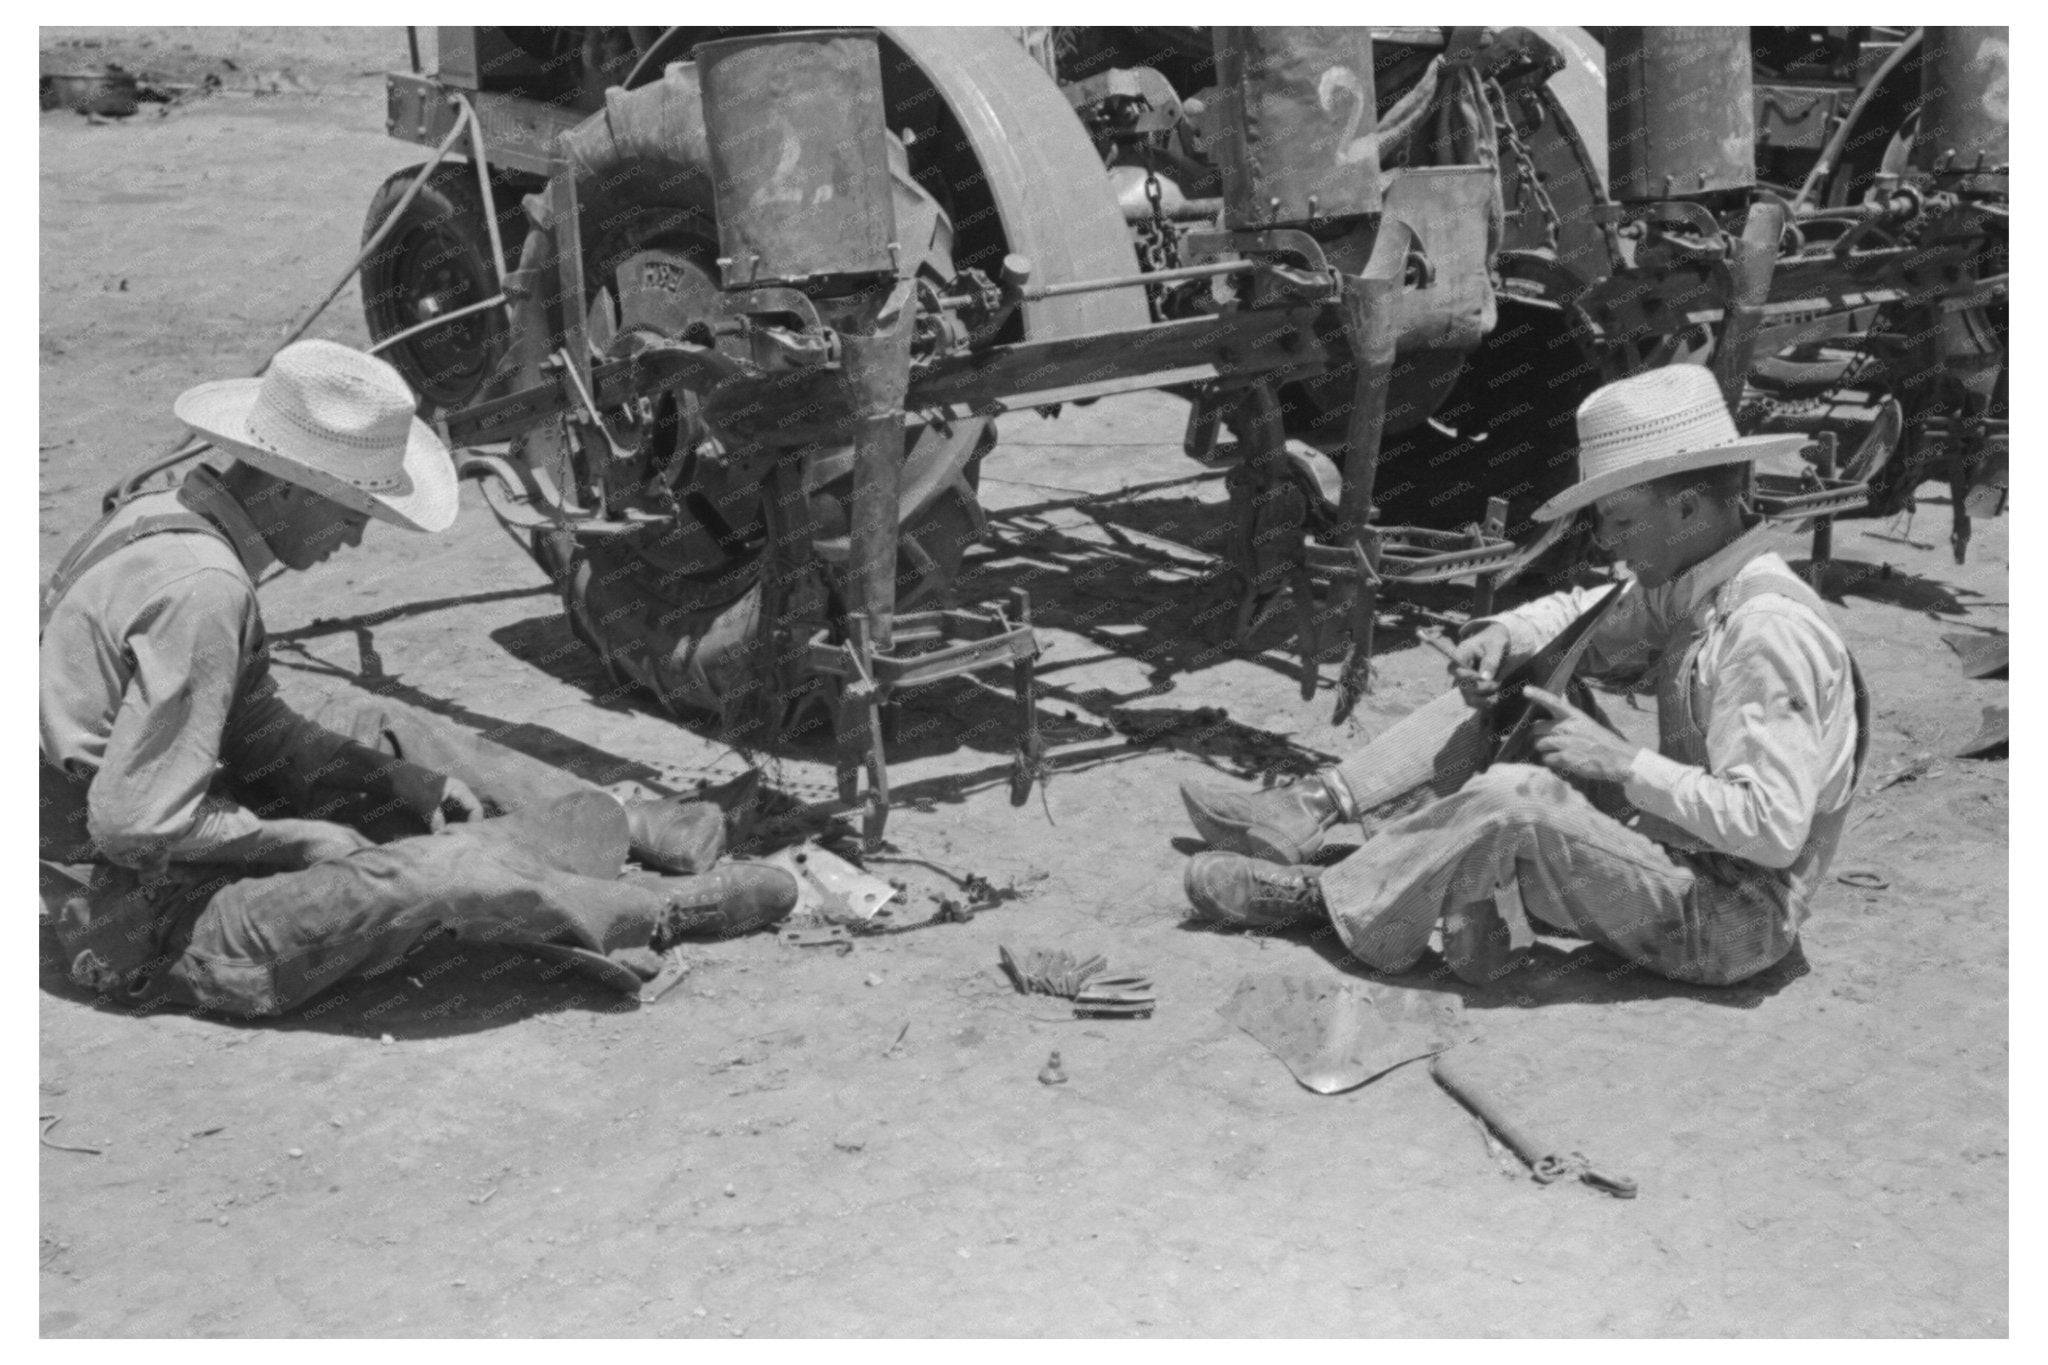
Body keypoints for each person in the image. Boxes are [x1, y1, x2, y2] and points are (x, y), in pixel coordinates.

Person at [39, 339, 797, 1019]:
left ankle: (615, 819)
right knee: (422, 876)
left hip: (155, 812)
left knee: (374, 726)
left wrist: (391, 777)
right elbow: (133, 824)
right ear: (289, 489)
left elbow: (249, 726)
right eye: (353, 510)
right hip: (141, 914)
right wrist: (299, 840)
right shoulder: (204, 587)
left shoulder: (172, 515)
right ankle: (643, 908)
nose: (358, 534)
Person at [1179, 364, 1869, 987]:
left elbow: (1772, 829)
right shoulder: (1693, 580)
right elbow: (1583, 614)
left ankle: (1328, 899)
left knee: (1517, 797)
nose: (1608, 543)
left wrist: (1624, 763)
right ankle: (1307, 808)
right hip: (1685, 859)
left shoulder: (1764, 628)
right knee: (1524, 683)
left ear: (1688, 509)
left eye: (1622, 522)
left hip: (1732, 922)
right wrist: (1502, 635)